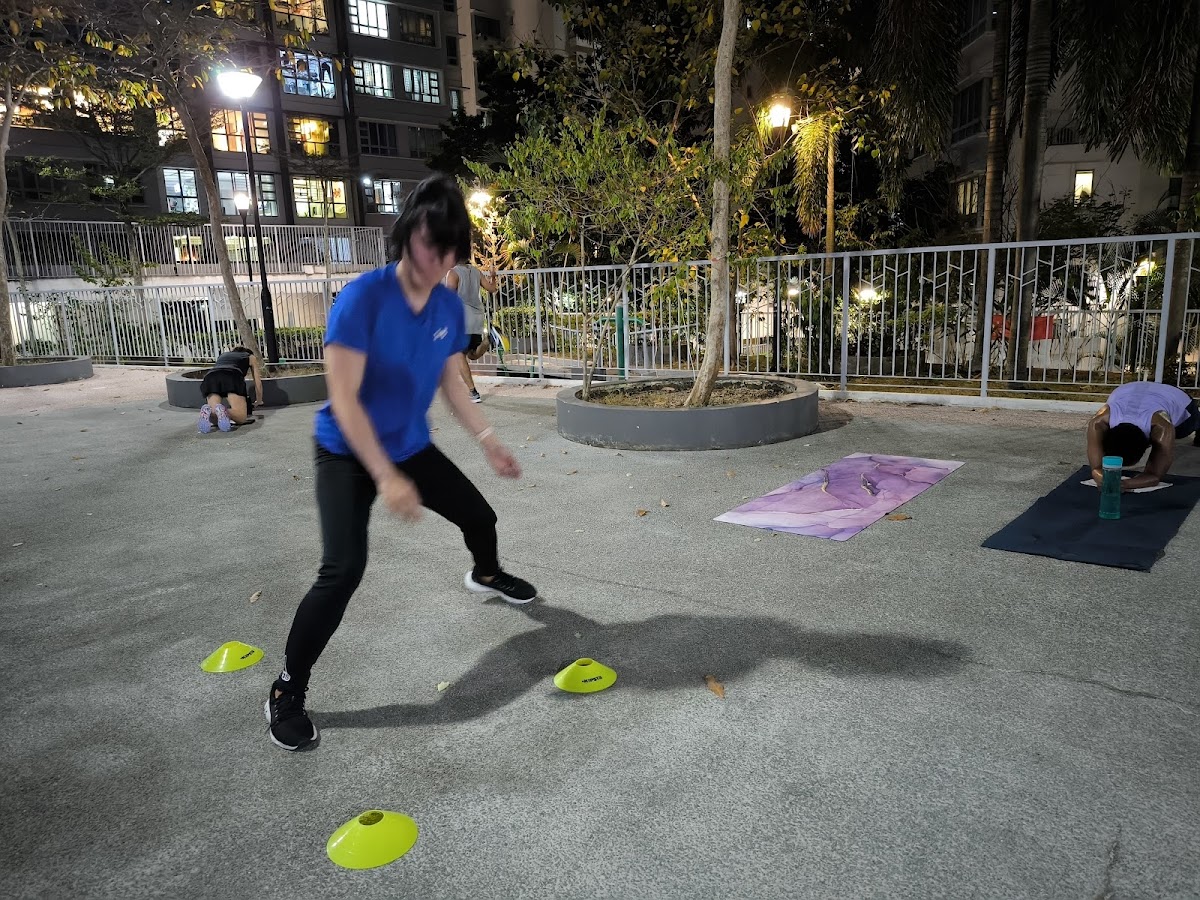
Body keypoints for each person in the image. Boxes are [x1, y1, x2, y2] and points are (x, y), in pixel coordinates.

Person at [265, 174, 538, 752]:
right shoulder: (362, 299)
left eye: (444, 249)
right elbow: (343, 398)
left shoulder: (444, 304)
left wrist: (488, 438)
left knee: (480, 517)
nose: (431, 257)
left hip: (411, 447)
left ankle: (484, 575)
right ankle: (288, 688)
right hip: (347, 452)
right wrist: (386, 477)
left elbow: (449, 381)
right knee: (342, 570)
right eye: (423, 241)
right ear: (405, 235)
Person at [1086, 381, 1199, 490]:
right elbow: (1096, 468)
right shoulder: (1098, 423)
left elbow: (1154, 475)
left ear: (1146, 446)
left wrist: (1124, 484)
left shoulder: (1162, 426)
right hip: (1130, 389)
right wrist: (1101, 476)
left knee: (1183, 431)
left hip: (1176, 396)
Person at [444, 261, 497, 402]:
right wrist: (493, 276)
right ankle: (489, 339)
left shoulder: (453, 273)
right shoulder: (476, 271)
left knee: (458, 354)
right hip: (476, 316)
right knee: (472, 354)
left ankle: (473, 392)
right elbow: (492, 289)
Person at [198, 345, 263, 433]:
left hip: (211, 377)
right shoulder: (250, 356)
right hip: (232, 376)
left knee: (214, 414)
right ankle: (224, 411)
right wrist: (259, 400)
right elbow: (257, 381)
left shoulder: (223, 355)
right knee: (241, 417)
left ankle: (207, 412)